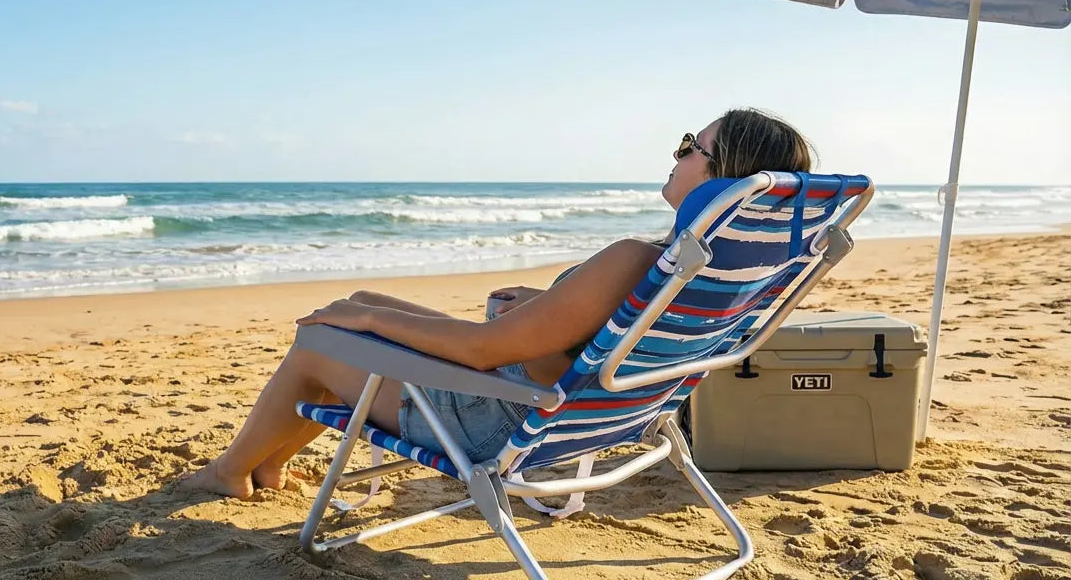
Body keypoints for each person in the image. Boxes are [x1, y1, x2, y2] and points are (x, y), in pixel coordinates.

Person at [184, 108, 816, 498]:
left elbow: (480, 351)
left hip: (492, 418)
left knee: (324, 335)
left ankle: (232, 471)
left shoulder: (638, 258)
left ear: (723, 175)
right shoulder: (714, 271)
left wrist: (368, 323)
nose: (677, 154)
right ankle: (270, 468)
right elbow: (604, 336)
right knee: (356, 299)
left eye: (691, 145)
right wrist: (557, 303)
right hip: (581, 409)